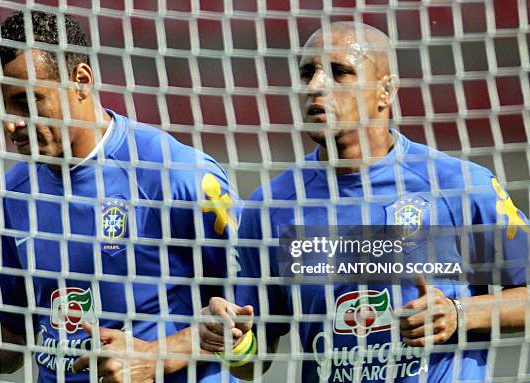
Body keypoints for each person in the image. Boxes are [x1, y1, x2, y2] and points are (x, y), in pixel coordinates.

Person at [199, 22, 529, 382]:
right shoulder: (272, 206)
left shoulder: (457, 186)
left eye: (340, 72)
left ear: (384, 92)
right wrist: (233, 340)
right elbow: (252, 361)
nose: (315, 86)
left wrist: (459, 313)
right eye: (308, 72)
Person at [0, 11, 239, 383]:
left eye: (26, 101)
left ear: (81, 80)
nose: (10, 123)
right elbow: (9, 352)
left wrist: (155, 357)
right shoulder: (7, 199)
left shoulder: (176, 173)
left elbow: (251, 319)